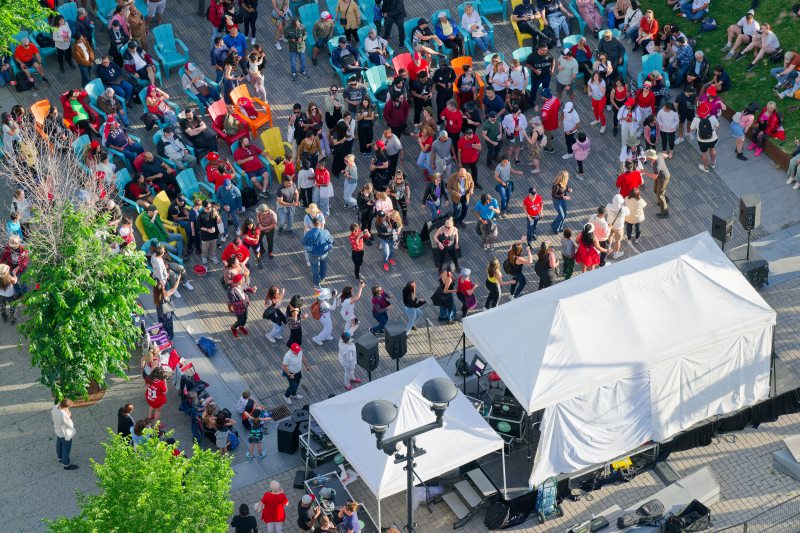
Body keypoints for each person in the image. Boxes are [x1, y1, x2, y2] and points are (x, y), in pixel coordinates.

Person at [302, 215, 334, 288]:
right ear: (320, 224)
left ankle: (316, 283)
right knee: (324, 263)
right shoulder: (326, 232)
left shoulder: (309, 233)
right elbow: (331, 241)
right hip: (323, 252)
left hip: (313, 253)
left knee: (314, 267)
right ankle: (322, 277)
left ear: (313, 224)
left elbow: (303, 242)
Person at [690, 101, 719, 172]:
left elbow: (691, 128)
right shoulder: (712, 117)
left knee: (704, 153)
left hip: (702, 140)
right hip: (712, 138)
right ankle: (713, 163)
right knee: (712, 149)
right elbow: (718, 126)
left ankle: (705, 167)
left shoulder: (696, 119)